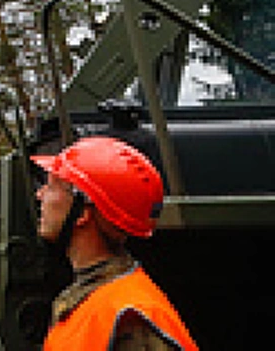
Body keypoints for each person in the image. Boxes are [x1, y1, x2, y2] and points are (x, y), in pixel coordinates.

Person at [33, 136, 198, 350]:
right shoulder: (90, 298)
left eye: (52, 186)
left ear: (82, 212)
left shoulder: (131, 317)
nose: (40, 195)